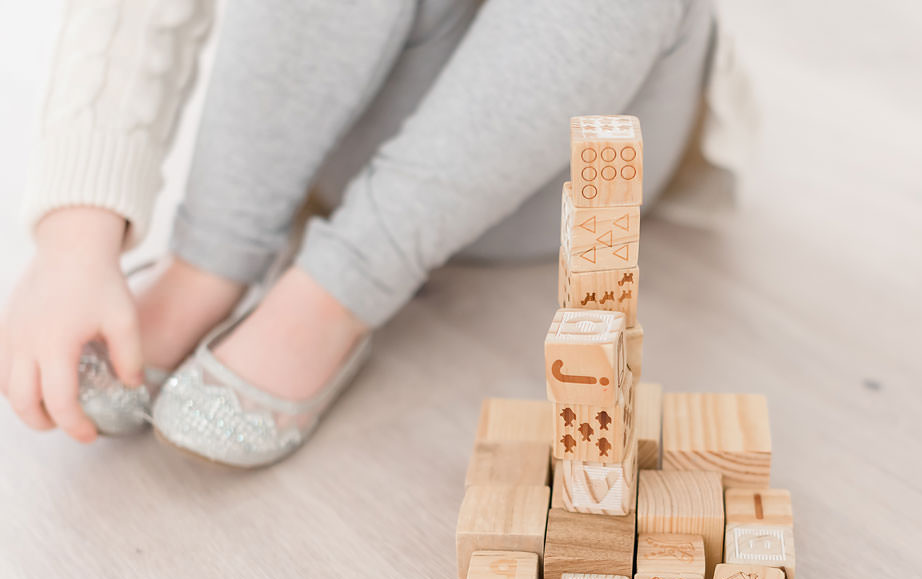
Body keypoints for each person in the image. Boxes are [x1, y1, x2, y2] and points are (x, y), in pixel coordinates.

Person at [0, 0, 736, 467]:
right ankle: (211, 256)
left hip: (578, 152)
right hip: (356, 109)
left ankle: (334, 289)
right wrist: (76, 233)